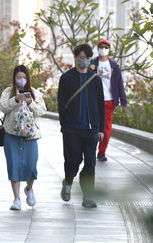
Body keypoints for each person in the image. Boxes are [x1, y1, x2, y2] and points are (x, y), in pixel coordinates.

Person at [58, 44, 105, 208]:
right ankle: (68, 181)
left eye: (85, 58)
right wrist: (64, 126)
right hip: (72, 128)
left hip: (90, 129)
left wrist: (101, 129)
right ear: (75, 57)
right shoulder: (66, 78)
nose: (81, 60)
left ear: (89, 59)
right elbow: (61, 104)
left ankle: (88, 196)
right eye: (79, 57)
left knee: (90, 163)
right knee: (73, 161)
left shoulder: (95, 80)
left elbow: (100, 105)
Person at [0, 65, 46, 210]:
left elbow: (42, 110)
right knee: (13, 165)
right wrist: (15, 99)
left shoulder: (35, 93)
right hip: (11, 133)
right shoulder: (8, 92)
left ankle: (29, 189)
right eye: (18, 77)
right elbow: (2, 106)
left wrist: (30, 102)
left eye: (24, 77)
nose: (21, 80)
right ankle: (16, 198)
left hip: (30, 134)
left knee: (31, 165)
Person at [90, 39, 128, 162]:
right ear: (98, 48)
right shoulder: (92, 64)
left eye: (106, 47)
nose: (103, 49)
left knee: (106, 128)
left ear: (109, 49)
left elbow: (119, 84)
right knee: (93, 126)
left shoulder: (114, 66)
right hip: (94, 100)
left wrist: (123, 101)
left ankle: (101, 152)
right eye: (101, 46)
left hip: (109, 100)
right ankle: (90, 150)